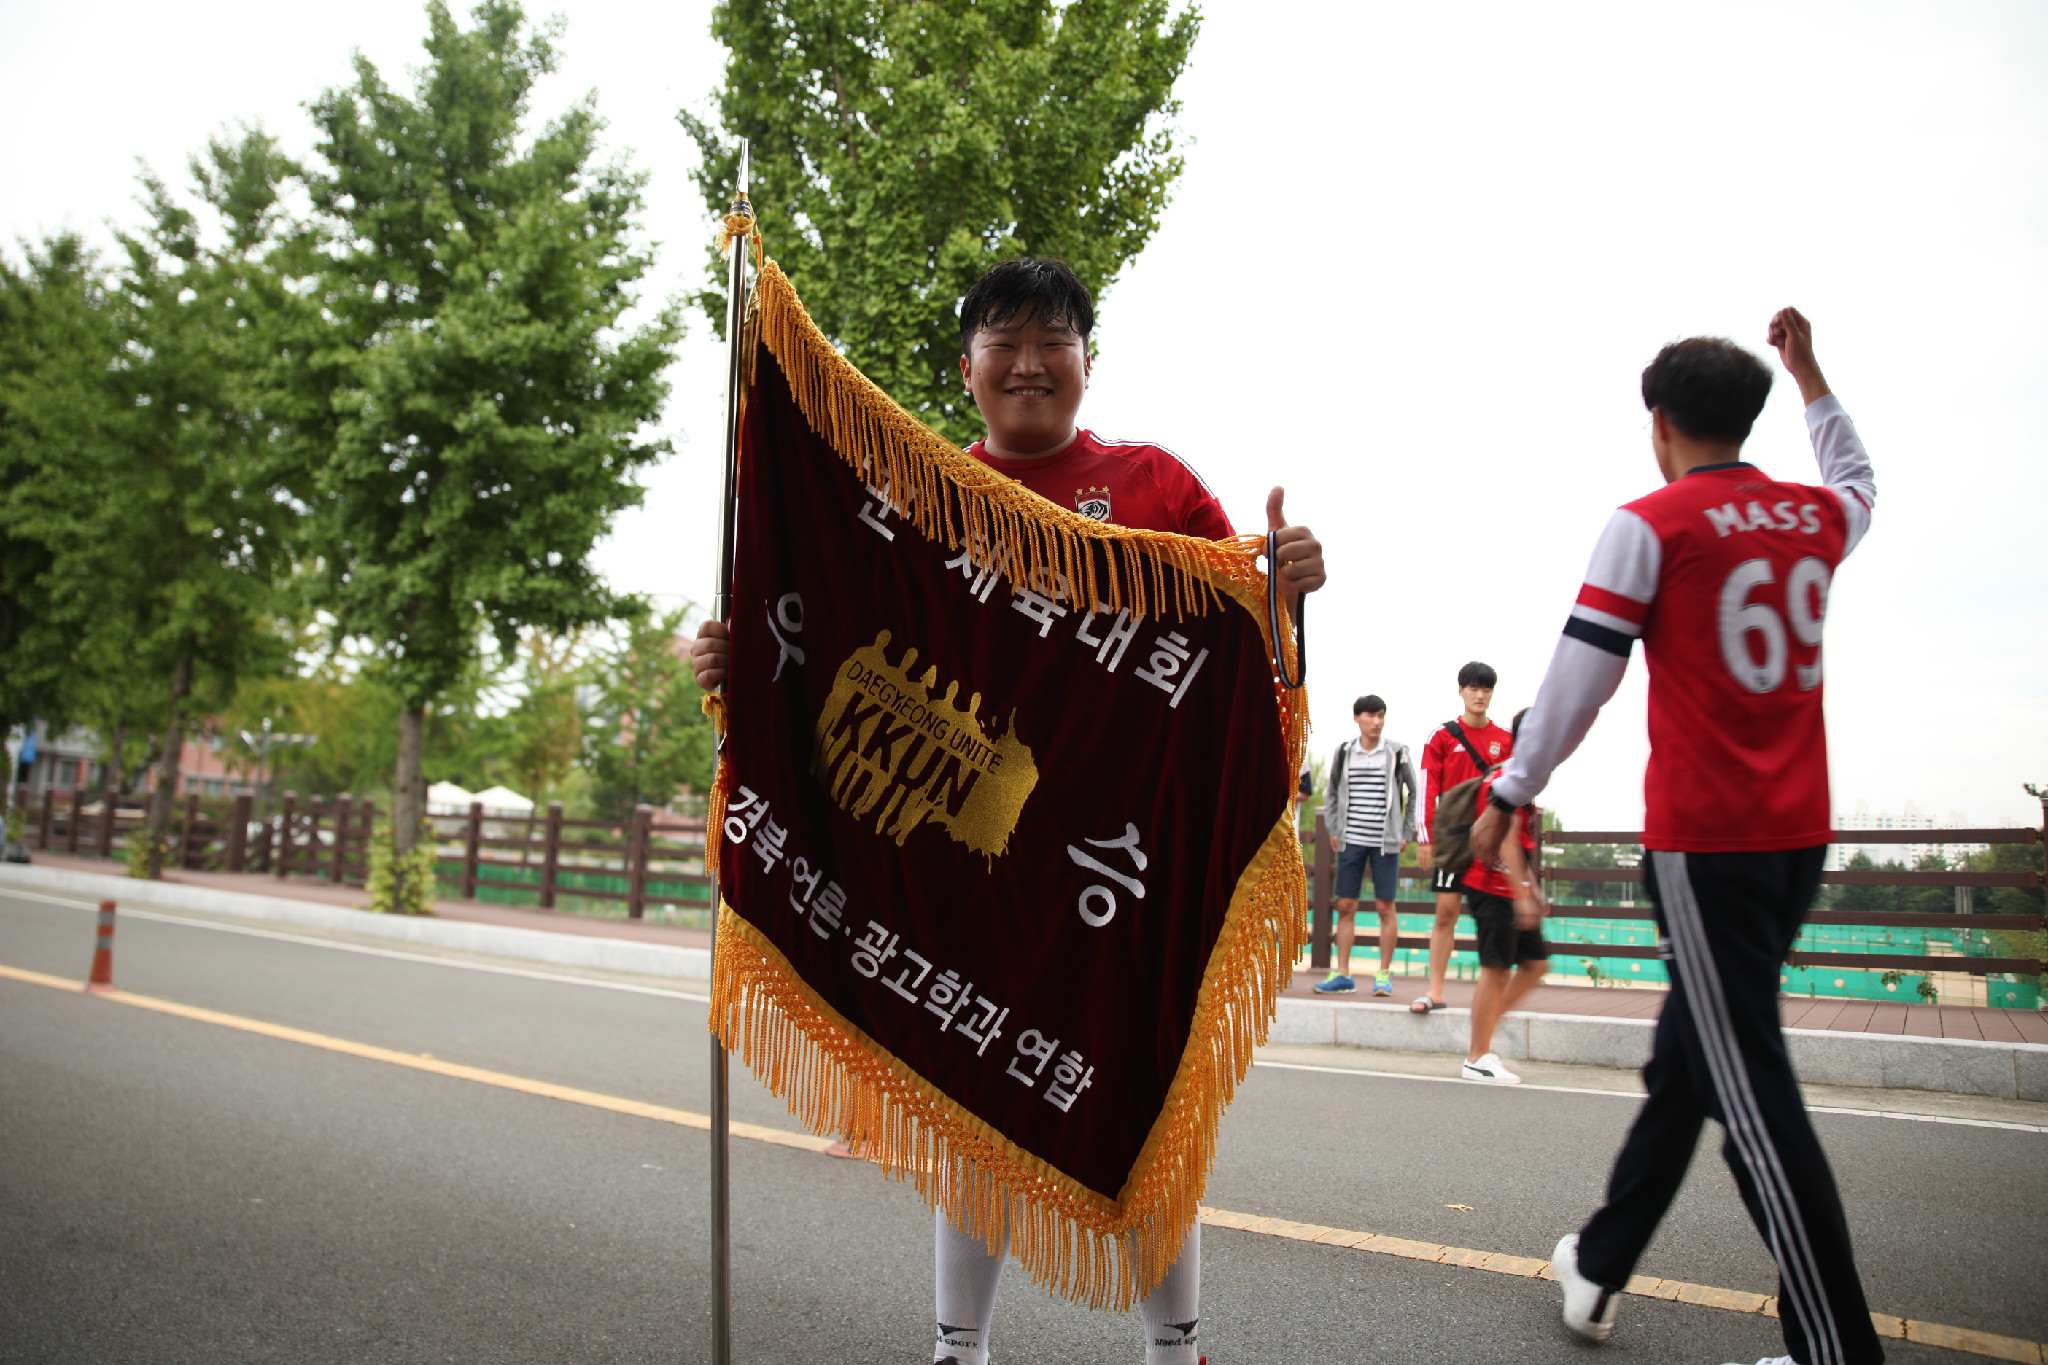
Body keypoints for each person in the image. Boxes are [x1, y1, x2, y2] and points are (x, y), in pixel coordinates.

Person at [689, 257, 1326, 1365]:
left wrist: (1283, 593)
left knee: (1145, 1104)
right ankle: (959, 1347)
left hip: (1123, 875)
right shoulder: (913, 499)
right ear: (968, 367)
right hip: (972, 871)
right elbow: (832, 632)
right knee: (974, 1102)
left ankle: (1175, 1347)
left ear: (1086, 361)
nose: (1029, 363)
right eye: (1004, 342)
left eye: (1052, 341)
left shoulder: (1156, 485)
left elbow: (1242, 662)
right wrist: (739, 662)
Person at [1470, 309, 1881, 1365]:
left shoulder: (1650, 524)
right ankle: (1599, 1262)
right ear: (1748, 419)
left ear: (1657, 424)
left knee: (1750, 1098)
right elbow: (1858, 480)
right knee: (1691, 1059)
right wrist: (1812, 378)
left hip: (1706, 844)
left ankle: (1835, 1347)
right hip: (1798, 838)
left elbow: (1579, 678)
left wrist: (1511, 787)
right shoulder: (1810, 517)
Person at [1411, 662, 1512, 1014]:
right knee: (1446, 913)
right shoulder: (1441, 736)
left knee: (1494, 917)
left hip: (1492, 839)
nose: (1480, 695)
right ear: (1461, 691)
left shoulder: (1505, 740)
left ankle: (1494, 995)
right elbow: (1428, 787)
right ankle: (1435, 991)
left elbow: (1514, 791)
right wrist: (1425, 837)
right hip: (1453, 839)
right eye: (1473, 688)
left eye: (1486, 689)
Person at [1458, 709, 1548, 1083]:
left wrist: (1531, 887)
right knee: (1496, 970)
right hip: (1490, 886)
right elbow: (1507, 841)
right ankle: (1477, 1056)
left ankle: (1485, 1030)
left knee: (1535, 964)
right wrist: (1521, 894)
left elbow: (1520, 844)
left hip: (1509, 885)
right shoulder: (1505, 781)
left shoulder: (1522, 779)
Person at [1314, 695, 1418, 995]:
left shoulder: (1397, 752)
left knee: (1386, 907)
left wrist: (1406, 831)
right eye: (1371, 716)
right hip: (1352, 840)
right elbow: (1331, 792)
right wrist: (1335, 828)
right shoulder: (1345, 752)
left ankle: (1383, 974)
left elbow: (1413, 792)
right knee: (1346, 905)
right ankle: (1343, 974)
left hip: (1385, 842)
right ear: (1357, 718)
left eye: (1381, 716)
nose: (1377, 722)